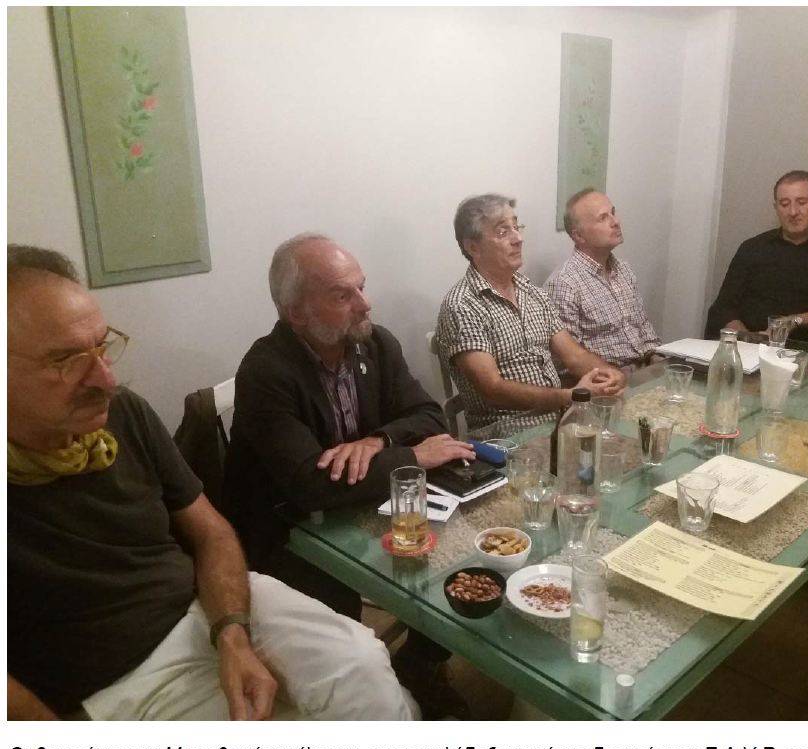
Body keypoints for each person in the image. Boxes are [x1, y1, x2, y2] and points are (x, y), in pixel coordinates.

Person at [7, 245, 414, 720]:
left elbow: (211, 532)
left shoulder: (124, 414)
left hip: (210, 605)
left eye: (102, 346)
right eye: (65, 359)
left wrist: (231, 634)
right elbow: (309, 482)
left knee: (365, 667)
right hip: (117, 680)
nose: (106, 380)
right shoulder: (269, 367)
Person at [224, 233, 474, 717]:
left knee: (456, 553)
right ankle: (376, 698)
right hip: (287, 534)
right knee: (348, 633)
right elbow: (308, 483)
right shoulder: (265, 370)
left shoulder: (374, 343)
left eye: (362, 286)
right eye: (343, 295)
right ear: (296, 313)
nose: (365, 303)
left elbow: (429, 415)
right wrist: (410, 456)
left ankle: (420, 665)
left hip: (362, 506)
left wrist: (378, 440)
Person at [436, 193, 626, 431]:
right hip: (506, 436)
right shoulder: (462, 305)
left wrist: (609, 374)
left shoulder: (532, 292)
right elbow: (492, 388)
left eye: (516, 227)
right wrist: (569, 396)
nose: (518, 239)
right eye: (503, 232)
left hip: (558, 422)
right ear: (473, 247)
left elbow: (574, 356)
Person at [704, 170, 808, 341]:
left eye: (802, 202)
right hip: (749, 343)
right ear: (776, 208)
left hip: (807, 347)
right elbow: (723, 307)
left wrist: (793, 321)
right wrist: (748, 339)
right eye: (784, 204)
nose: (793, 212)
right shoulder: (753, 248)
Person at [545, 188, 661, 373]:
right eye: (603, 218)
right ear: (579, 236)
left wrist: (660, 363)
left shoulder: (624, 270)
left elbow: (644, 329)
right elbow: (567, 363)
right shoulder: (565, 283)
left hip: (644, 370)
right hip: (605, 380)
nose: (616, 222)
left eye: (613, 213)